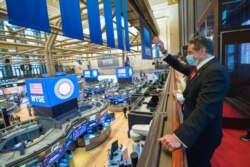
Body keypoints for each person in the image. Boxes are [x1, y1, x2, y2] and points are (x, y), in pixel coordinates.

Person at [153, 36, 230, 167]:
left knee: (198, 163)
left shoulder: (215, 71)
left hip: (203, 135)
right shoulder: (199, 68)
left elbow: (204, 110)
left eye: (190, 52)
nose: (187, 56)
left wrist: (179, 137)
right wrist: (163, 50)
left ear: (202, 51)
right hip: (198, 132)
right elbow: (179, 65)